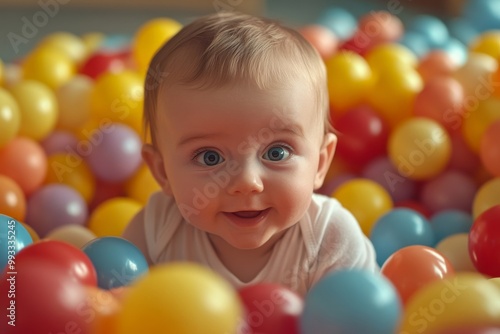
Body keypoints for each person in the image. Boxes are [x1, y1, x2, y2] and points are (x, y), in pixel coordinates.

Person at [123, 11, 378, 297]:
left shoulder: (330, 238)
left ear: (320, 163)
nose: (246, 181)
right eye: (210, 157)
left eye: (277, 152)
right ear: (162, 172)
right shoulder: (155, 232)